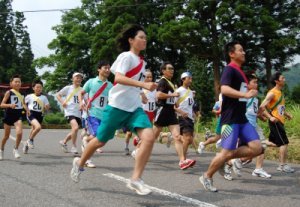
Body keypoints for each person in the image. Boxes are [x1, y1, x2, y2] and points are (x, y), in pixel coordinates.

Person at [70, 24, 157, 195]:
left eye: (145, 37)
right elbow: (118, 78)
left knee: (149, 137)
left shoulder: (142, 62)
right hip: (117, 107)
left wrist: (141, 93)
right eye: (141, 37)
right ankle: (79, 163)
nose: (144, 40)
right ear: (131, 40)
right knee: (99, 141)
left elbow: (131, 83)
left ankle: (135, 179)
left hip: (134, 109)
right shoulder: (126, 56)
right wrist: (143, 85)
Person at [199, 41, 263, 192]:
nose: (244, 52)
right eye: (241, 50)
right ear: (231, 54)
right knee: (226, 153)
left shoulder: (241, 72)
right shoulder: (229, 69)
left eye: (244, 50)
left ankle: (225, 158)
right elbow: (225, 89)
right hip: (230, 120)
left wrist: (250, 95)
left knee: (257, 148)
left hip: (242, 119)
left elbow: (241, 95)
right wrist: (246, 94)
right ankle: (207, 176)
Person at [153, 62, 196, 170]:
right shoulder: (162, 81)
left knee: (177, 137)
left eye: (172, 68)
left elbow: (173, 101)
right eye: (169, 68)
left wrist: (179, 110)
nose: (172, 70)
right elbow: (158, 95)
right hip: (162, 110)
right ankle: (138, 150)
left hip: (171, 112)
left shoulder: (170, 83)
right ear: (163, 70)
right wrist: (172, 94)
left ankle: (182, 161)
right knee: (152, 137)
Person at [79, 60, 113, 167]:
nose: (108, 70)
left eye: (109, 68)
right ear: (99, 69)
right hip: (92, 113)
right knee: (99, 135)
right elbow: (81, 93)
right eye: (105, 68)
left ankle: (86, 140)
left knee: (102, 136)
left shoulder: (110, 85)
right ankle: (87, 159)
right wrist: (81, 102)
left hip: (104, 115)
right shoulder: (91, 82)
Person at [259, 72, 294, 173]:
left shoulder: (280, 92)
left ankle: (259, 143)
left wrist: (286, 115)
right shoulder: (272, 93)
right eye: (282, 78)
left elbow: (280, 107)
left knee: (275, 143)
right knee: (284, 143)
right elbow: (262, 106)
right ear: (277, 81)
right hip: (275, 121)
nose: (284, 79)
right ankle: (282, 166)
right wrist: (270, 117)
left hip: (280, 121)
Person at [0, 75, 29, 160]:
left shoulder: (22, 94)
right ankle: (1, 150)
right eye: (15, 81)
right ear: (11, 83)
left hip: (18, 116)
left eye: (19, 82)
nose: (17, 83)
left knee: (19, 133)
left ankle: (15, 149)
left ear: (21, 83)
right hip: (9, 116)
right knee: (6, 136)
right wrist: (9, 105)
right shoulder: (9, 92)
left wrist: (27, 109)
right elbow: (1, 105)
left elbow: (23, 103)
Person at [56, 72, 83, 155]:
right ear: (72, 79)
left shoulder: (82, 90)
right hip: (69, 111)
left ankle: (64, 141)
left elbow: (85, 100)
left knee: (74, 130)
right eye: (76, 77)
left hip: (78, 112)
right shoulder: (68, 88)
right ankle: (74, 147)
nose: (78, 79)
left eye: (80, 78)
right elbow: (58, 95)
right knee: (75, 128)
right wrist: (62, 102)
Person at [23, 80, 50, 154]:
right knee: (38, 127)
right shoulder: (29, 96)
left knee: (33, 129)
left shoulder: (44, 97)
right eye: (37, 87)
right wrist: (27, 110)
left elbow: (47, 107)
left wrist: (47, 107)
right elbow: (24, 104)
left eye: (40, 87)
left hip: (40, 114)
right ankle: (30, 140)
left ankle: (26, 144)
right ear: (33, 88)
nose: (39, 89)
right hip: (31, 113)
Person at [174, 72, 195, 159]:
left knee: (189, 140)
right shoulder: (178, 91)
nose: (190, 80)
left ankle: (173, 137)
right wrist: (181, 112)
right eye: (188, 78)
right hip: (182, 118)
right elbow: (173, 106)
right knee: (187, 138)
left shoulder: (190, 92)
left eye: (191, 78)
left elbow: (190, 105)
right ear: (183, 79)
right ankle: (183, 159)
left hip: (190, 118)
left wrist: (193, 114)